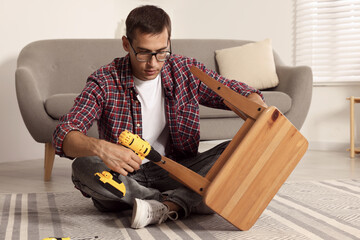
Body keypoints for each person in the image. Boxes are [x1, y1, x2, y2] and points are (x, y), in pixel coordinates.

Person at [53, 5, 267, 229]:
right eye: (144, 52)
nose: (153, 63)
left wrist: (256, 107)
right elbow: (63, 134)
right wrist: (101, 149)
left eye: (162, 52)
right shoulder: (105, 80)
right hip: (124, 179)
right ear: (126, 44)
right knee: (83, 167)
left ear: (169, 42)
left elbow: (241, 92)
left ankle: (163, 205)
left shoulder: (185, 71)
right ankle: (182, 200)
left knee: (239, 149)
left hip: (178, 171)